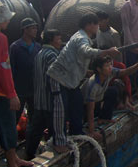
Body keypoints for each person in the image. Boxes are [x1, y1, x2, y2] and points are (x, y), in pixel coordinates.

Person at [46, 13, 120, 153]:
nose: (98, 27)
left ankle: (77, 133)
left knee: (77, 105)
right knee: (60, 110)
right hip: (59, 78)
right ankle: (58, 142)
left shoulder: (83, 38)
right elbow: (85, 52)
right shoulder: (81, 38)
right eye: (96, 24)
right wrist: (105, 52)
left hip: (71, 81)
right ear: (89, 25)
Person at [0, 0, 35, 167]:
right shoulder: (0, 38)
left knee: (3, 127)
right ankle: (12, 166)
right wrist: (12, 93)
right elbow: (4, 68)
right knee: (7, 127)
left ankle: (14, 159)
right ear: (1, 20)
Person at [82, 55, 138, 139]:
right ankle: (93, 124)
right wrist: (92, 131)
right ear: (99, 69)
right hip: (84, 106)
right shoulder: (92, 85)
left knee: (113, 91)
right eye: (107, 66)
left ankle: (104, 117)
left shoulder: (109, 72)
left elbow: (125, 72)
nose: (110, 67)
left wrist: (137, 65)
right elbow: (90, 109)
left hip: (98, 98)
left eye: (111, 64)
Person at [25, 29, 62, 160]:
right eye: (58, 39)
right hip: (50, 99)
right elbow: (55, 78)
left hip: (39, 100)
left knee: (36, 130)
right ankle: (53, 155)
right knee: (54, 130)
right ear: (51, 40)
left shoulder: (39, 54)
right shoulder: (52, 55)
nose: (60, 41)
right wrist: (58, 96)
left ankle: (29, 154)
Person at [96, 11, 133, 108]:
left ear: (107, 20)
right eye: (97, 21)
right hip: (102, 62)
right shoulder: (97, 32)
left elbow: (119, 51)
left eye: (101, 21)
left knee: (121, 79)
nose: (99, 23)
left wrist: (117, 64)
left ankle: (125, 100)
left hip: (113, 62)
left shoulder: (113, 34)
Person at [10, 18, 41, 124]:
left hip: (34, 88)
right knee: (15, 116)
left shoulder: (37, 47)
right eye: (33, 28)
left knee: (33, 117)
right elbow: (11, 69)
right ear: (25, 30)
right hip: (20, 89)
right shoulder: (15, 47)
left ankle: (30, 139)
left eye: (36, 28)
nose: (35, 30)